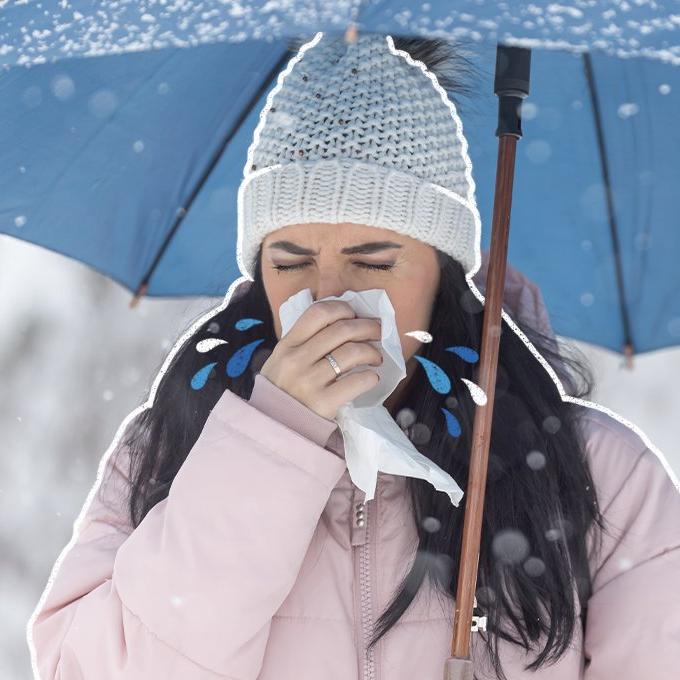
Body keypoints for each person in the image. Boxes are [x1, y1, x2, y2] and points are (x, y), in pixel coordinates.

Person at [28, 32, 680, 680]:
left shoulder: (600, 474)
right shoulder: (168, 445)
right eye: (292, 262)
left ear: (443, 275)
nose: (330, 296)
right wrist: (268, 441)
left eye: (372, 261)